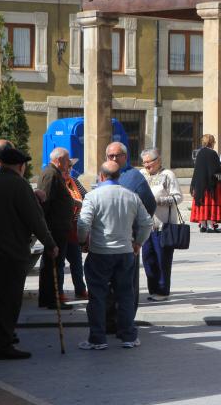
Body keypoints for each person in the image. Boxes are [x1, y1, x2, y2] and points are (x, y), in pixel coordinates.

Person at [0, 148, 58, 360]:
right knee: (8, 299)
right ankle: (3, 345)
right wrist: (50, 244)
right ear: (21, 166)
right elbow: (35, 219)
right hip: (10, 250)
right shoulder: (19, 185)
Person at [77, 161, 152, 350]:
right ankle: (128, 336)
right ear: (119, 176)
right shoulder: (131, 196)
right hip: (125, 252)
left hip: (100, 252)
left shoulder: (93, 196)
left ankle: (98, 339)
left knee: (97, 296)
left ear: (101, 176)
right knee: (125, 295)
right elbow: (146, 223)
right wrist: (138, 243)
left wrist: (82, 241)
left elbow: (83, 224)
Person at [105, 142, 156, 328]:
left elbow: (149, 205)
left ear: (125, 157)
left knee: (127, 284)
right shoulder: (104, 174)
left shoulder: (134, 177)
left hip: (128, 239)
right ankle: (109, 320)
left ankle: (125, 322)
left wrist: (137, 232)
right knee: (107, 283)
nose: (113, 159)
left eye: (117, 155)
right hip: (105, 241)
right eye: (110, 156)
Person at [139, 148, 183, 302]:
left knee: (162, 260)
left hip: (163, 226)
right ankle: (153, 290)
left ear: (158, 160)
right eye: (144, 162)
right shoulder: (141, 175)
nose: (146, 165)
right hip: (146, 227)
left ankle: (163, 291)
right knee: (147, 259)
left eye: (149, 162)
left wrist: (159, 201)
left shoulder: (168, 175)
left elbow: (178, 197)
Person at [37, 147, 75, 310]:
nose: (69, 163)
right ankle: (52, 299)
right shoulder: (51, 174)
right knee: (53, 264)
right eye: (67, 160)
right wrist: (46, 231)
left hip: (58, 228)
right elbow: (44, 202)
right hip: (54, 228)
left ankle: (49, 298)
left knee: (54, 263)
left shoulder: (54, 173)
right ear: (59, 160)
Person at [62, 158, 88, 300]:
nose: (69, 169)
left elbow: (87, 196)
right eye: (66, 167)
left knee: (77, 260)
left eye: (70, 167)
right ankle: (59, 292)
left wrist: (83, 202)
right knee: (60, 263)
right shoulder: (58, 182)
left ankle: (80, 289)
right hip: (62, 226)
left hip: (75, 226)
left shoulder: (75, 182)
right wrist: (76, 202)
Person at [190, 134, 221, 233]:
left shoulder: (199, 153)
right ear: (211, 142)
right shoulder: (213, 153)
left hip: (199, 185)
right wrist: (220, 172)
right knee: (210, 204)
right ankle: (210, 226)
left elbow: (197, 170)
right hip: (210, 185)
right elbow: (215, 170)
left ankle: (203, 225)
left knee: (202, 204)